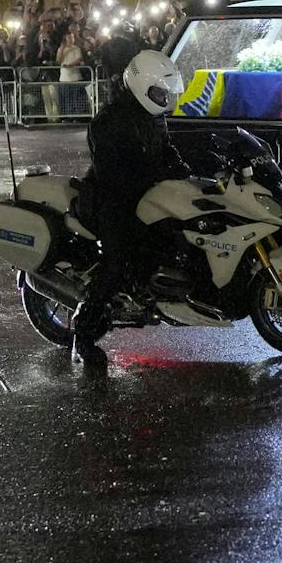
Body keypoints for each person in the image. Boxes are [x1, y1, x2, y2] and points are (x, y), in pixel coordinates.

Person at [72, 50, 190, 362]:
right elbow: (114, 173)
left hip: (145, 195)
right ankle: (83, 334)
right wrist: (155, 176)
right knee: (117, 259)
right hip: (109, 199)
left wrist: (185, 173)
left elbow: (166, 151)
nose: (164, 98)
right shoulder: (108, 122)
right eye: (159, 92)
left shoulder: (152, 117)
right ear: (141, 86)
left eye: (166, 93)